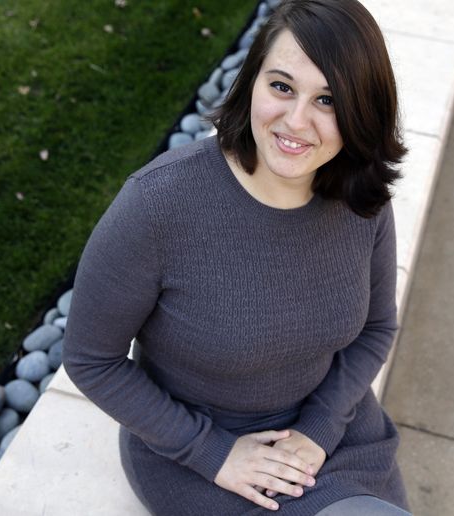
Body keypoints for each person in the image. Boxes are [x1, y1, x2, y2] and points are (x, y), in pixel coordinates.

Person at [63, 0, 410, 514]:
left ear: (362, 109)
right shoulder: (159, 203)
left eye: (328, 99)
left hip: (334, 435)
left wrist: (318, 430)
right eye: (282, 87)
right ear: (251, 82)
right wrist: (212, 452)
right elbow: (91, 359)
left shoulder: (362, 197)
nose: (296, 121)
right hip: (204, 457)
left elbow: (376, 329)